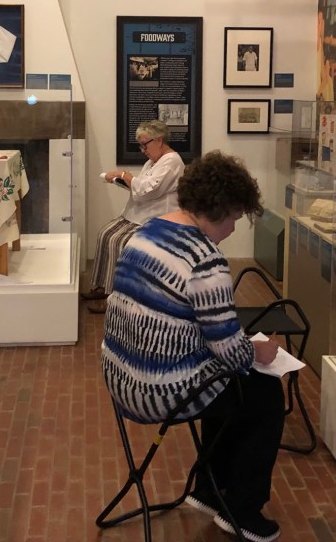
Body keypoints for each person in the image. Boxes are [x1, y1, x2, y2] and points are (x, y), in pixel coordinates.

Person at [101, 151, 285, 542]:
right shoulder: (206, 258)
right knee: (263, 391)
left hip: (120, 378)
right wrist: (261, 352)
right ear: (220, 208)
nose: (235, 228)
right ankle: (243, 510)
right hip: (155, 392)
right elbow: (232, 353)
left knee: (227, 382)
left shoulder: (147, 231)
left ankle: (207, 490)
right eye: (235, 217)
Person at [81, 119, 184, 313]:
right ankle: (102, 287)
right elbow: (141, 185)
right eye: (141, 145)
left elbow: (148, 190)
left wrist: (124, 175)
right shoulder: (153, 162)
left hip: (159, 217)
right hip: (141, 213)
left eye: (144, 144)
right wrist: (125, 180)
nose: (142, 149)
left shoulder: (172, 161)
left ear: (159, 140)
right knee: (105, 234)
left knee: (120, 242)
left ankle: (115, 298)